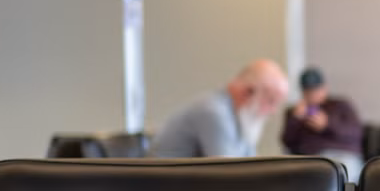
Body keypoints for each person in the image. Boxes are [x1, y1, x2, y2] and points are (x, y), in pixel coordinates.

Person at [150, 59, 290, 158]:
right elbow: (228, 175)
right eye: (271, 101)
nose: (272, 111)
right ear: (247, 92)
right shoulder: (214, 113)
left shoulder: (239, 117)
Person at [281, 66, 366, 180]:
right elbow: (287, 142)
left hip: (341, 156)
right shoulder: (295, 112)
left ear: (324, 88)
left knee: (341, 173)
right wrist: (296, 119)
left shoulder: (340, 105)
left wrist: (327, 125)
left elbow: (355, 133)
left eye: (316, 89)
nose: (312, 94)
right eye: (308, 91)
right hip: (308, 160)